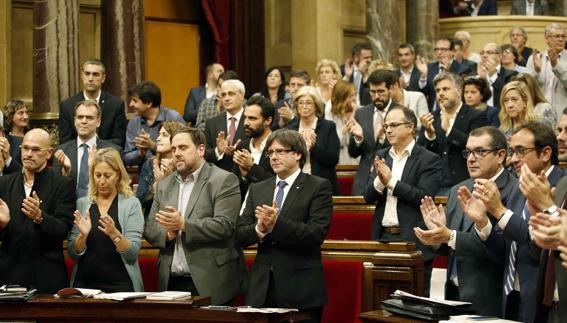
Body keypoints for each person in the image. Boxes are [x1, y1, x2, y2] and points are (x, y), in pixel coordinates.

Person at [466, 121, 566, 323]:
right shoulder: (517, 187)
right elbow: (505, 248)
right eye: (512, 151)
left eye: (520, 151)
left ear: (545, 153)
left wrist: (500, 212)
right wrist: (483, 224)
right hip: (510, 293)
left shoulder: (560, 186)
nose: (513, 159)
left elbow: (539, 244)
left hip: (542, 298)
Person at [235, 129, 332, 323]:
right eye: (270, 153)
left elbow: (316, 233)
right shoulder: (258, 188)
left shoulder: (318, 186)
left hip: (300, 288)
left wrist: (276, 224)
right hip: (261, 288)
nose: (273, 157)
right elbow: (239, 234)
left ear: (297, 154)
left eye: (280, 151)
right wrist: (260, 229)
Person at [415, 126, 514, 316]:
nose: (470, 159)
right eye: (468, 152)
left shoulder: (513, 190)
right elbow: (451, 246)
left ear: (501, 155)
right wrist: (438, 236)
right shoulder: (458, 189)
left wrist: (450, 235)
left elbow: (502, 249)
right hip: (453, 296)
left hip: (489, 298)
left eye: (480, 152)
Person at [144, 127, 246, 305]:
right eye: (174, 149)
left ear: (200, 149)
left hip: (211, 281)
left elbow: (225, 225)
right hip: (170, 281)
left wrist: (184, 225)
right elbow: (151, 228)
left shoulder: (224, 180)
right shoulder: (164, 185)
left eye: (183, 148)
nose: (176, 154)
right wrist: (168, 234)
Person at [365, 106, 442, 296]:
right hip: (383, 238)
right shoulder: (381, 156)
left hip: (413, 240)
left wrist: (391, 182)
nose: (388, 130)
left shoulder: (429, 159)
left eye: (393, 125)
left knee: (414, 303)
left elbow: (423, 197)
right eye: (386, 126)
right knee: (381, 300)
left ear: (410, 127)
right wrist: (380, 181)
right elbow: (368, 197)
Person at [0, 129, 75, 293]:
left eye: (35, 150)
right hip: (9, 273)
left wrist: (40, 217)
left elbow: (63, 229)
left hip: (46, 275)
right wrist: (3, 224)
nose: (28, 154)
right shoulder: (3, 184)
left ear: (48, 153)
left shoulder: (63, 184)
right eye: (25, 148)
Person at [68, 148, 144, 292]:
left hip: (120, 284)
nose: (101, 181)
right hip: (85, 284)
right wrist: (82, 236)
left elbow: (131, 254)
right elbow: (73, 253)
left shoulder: (131, 204)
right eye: (97, 175)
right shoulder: (83, 203)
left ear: (118, 175)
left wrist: (114, 234)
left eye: (107, 176)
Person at [418, 72, 488, 195]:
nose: (441, 93)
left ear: (459, 91)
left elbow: (479, 148)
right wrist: (430, 136)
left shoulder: (476, 116)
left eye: (445, 89)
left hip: (466, 184)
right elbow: (421, 153)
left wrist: (449, 130)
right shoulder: (431, 117)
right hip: (435, 186)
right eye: (438, 90)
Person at [52, 100, 122, 200]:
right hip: (69, 209)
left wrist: (93, 168)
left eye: (89, 118)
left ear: (98, 122)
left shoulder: (113, 151)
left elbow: (118, 187)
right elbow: (55, 190)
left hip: (101, 208)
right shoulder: (61, 151)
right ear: (75, 120)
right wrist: (65, 173)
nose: (84, 121)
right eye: (80, 117)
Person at [348, 70, 402, 196]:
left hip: (392, 177)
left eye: (381, 91)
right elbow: (353, 152)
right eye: (373, 92)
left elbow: (403, 146)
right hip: (363, 179)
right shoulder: (361, 113)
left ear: (390, 89)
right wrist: (358, 139)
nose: (377, 96)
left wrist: (383, 137)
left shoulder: (401, 113)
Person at [59, 59, 127, 147]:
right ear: (82, 76)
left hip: (106, 156)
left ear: (103, 78)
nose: (90, 79)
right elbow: (65, 142)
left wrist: (96, 147)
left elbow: (119, 140)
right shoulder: (67, 105)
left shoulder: (116, 104)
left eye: (95, 75)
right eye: (87, 74)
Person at [286, 86, 340, 195]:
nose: (304, 106)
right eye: (300, 103)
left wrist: (314, 147)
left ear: (316, 105)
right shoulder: (290, 128)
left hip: (322, 184)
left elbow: (333, 159)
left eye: (308, 103)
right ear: (296, 106)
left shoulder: (328, 126)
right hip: (296, 184)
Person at [123, 81, 185, 167]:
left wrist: (153, 146)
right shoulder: (133, 123)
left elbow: (183, 150)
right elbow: (126, 159)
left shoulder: (173, 117)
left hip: (173, 171)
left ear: (148, 103)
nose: (131, 104)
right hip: (145, 174)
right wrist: (140, 153)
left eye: (135, 101)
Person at [136, 121, 185, 218]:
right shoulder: (149, 165)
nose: (158, 139)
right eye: (159, 135)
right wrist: (157, 186)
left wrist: (170, 179)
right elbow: (140, 202)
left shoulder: (184, 166)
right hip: (153, 218)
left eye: (164, 135)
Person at [232, 95, 275, 199]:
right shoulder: (242, 146)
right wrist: (243, 177)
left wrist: (251, 168)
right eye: (245, 117)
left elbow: (278, 183)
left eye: (252, 118)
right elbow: (234, 186)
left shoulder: (279, 146)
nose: (246, 123)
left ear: (268, 120)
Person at [417, 37, 472, 110]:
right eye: (437, 49)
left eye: (443, 49)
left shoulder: (463, 69)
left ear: (452, 51)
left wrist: (448, 72)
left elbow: (460, 93)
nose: (439, 52)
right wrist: (423, 76)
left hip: (453, 111)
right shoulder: (429, 68)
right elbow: (424, 93)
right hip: (433, 113)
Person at [204, 79, 248, 172]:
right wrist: (218, 151)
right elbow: (204, 154)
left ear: (242, 95)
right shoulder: (211, 123)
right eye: (223, 95)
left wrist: (235, 153)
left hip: (245, 177)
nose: (226, 98)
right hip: (218, 177)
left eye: (231, 94)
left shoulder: (251, 120)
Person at [526, 23, 567, 118]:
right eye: (557, 36)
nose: (561, 39)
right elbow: (526, 88)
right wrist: (536, 71)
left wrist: (556, 65)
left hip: (563, 116)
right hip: (538, 115)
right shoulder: (534, 59)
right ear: (547, 39)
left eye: (563, 36)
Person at [325, 80, 361, 164]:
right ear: (343, 97)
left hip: (355, 156)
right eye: (351, 95)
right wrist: (343, 131)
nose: (355, 98)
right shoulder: (330, 109)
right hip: (338, 156)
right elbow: (330, 139)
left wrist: (354, 115)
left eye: (355, 94)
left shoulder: (356, 108)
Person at [477, 42, 518, 108]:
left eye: (489, 52)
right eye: (482, 53)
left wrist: (492, 74)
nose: (484, 55)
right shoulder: (474, 75)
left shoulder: (511, 75)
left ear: (499, 57)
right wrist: (482, 79)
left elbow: (506, 94)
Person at [1, 99, 28, 172]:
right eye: (21, 113)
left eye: (26, 112)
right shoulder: (3, 137)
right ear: (11, 116)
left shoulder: (31, 136)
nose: (26, 117)